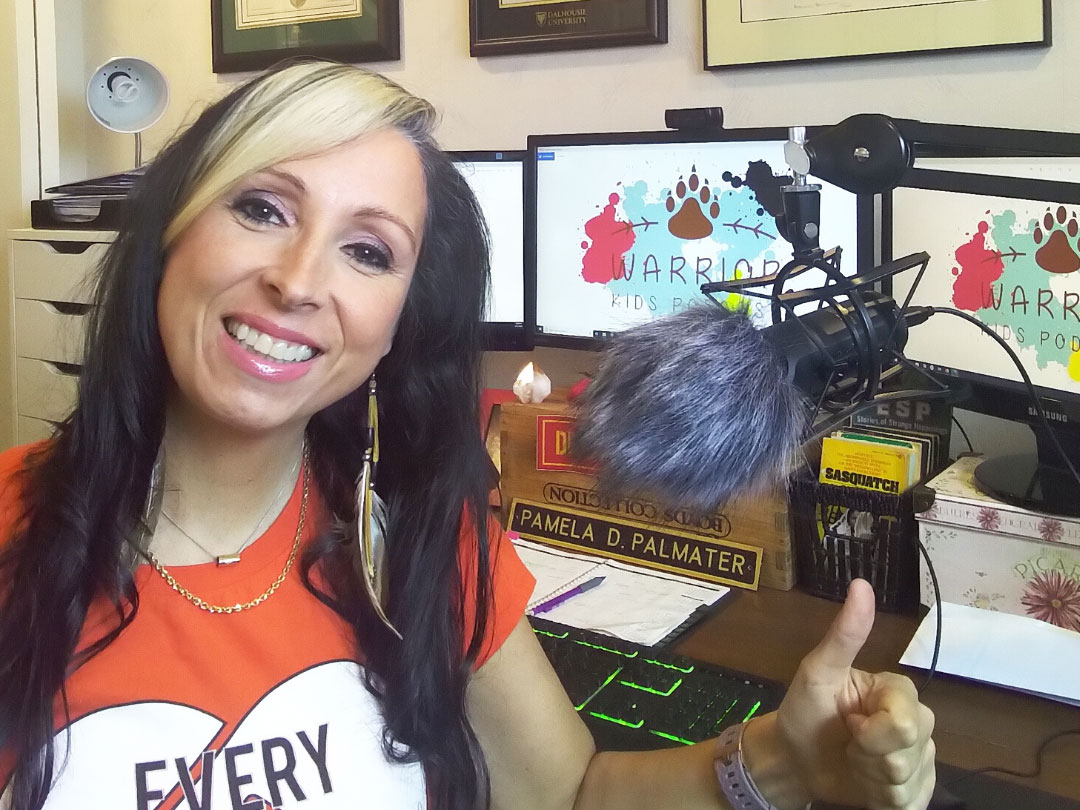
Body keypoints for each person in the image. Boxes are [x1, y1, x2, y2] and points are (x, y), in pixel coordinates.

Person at [0, 60, 935, 810]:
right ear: (171, 233)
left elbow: (567, 792)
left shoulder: (420, 539)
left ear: (401, 317)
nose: (297, 281)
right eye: (262, 208)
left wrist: (779, 761)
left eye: (369, 252)